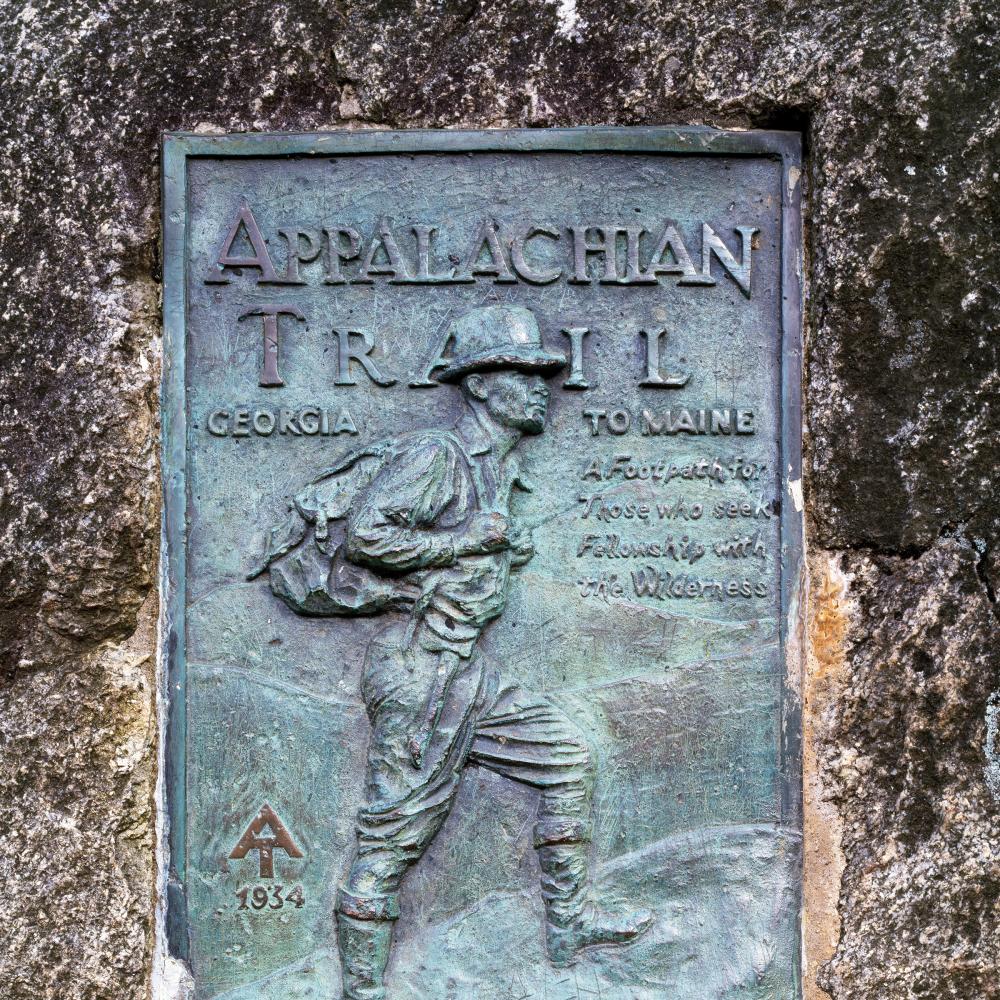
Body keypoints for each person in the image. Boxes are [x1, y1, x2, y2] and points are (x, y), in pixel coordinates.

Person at [333, 305, 653, 999]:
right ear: (479, 386)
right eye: (521, 373)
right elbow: (365, 537)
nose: (541, 386)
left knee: (566, 756)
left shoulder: (496, 468)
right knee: (391, 835)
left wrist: (495, 552)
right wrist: (466, 544)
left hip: (466, 670)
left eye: (542, 373)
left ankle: (568, 924)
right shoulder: (438, 455)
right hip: (420, 670)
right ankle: (361, 988)